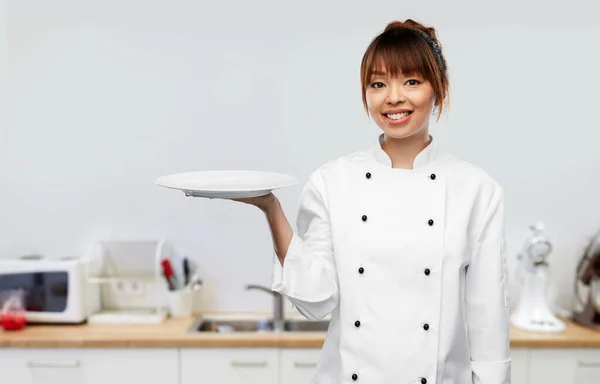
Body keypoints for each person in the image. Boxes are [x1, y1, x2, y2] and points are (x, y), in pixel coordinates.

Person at [232, 19, 511, 384]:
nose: (393, 97)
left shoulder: (477, 191)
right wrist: (270, 208)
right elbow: (315, 301)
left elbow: (487, 318)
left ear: (439, 90)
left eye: (411, 81)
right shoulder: (332, 182)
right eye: (378, 84)